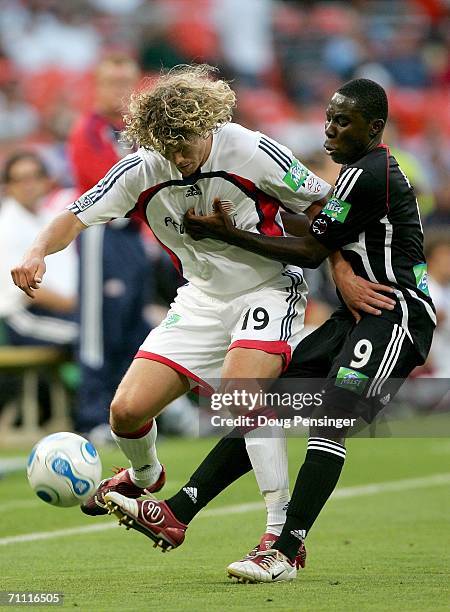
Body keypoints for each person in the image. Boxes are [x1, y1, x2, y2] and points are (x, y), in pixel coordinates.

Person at [11, 66, 387, 550]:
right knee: (125, 412)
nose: (179, 158)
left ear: (207, 124)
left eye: (186, 144)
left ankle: (277, 531)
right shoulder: (142, 168)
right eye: (168, 149)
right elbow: (74, 215)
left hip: (266, 288)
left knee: (242, 396)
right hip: (200, 298)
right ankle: (146, 474)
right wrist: (38, 250)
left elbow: (321, 207)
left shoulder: (250, 149)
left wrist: (340, 270)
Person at [101, 78, 436, 584]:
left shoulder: (372, 174)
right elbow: (318, 235)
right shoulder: (356, 173)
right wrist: (333, 262)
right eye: (328, 117)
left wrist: (229, 233)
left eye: (343, 122)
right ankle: (180, 510)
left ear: (375, 128)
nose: (329, 129)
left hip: (397, 313)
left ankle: (285, 548)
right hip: (359, 314)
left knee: (330, 420)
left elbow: (309, 250)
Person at [68, 53, 152, 439]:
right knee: (99, 328)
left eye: (125, 83)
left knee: (132, 323)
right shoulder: (89, 130)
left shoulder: (135, 131)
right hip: (102, 231)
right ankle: (92, 415)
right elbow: (107, 186)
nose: (120, 91)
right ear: (97, 86)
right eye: (112, 83)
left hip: (133, 235)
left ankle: (127, 415)